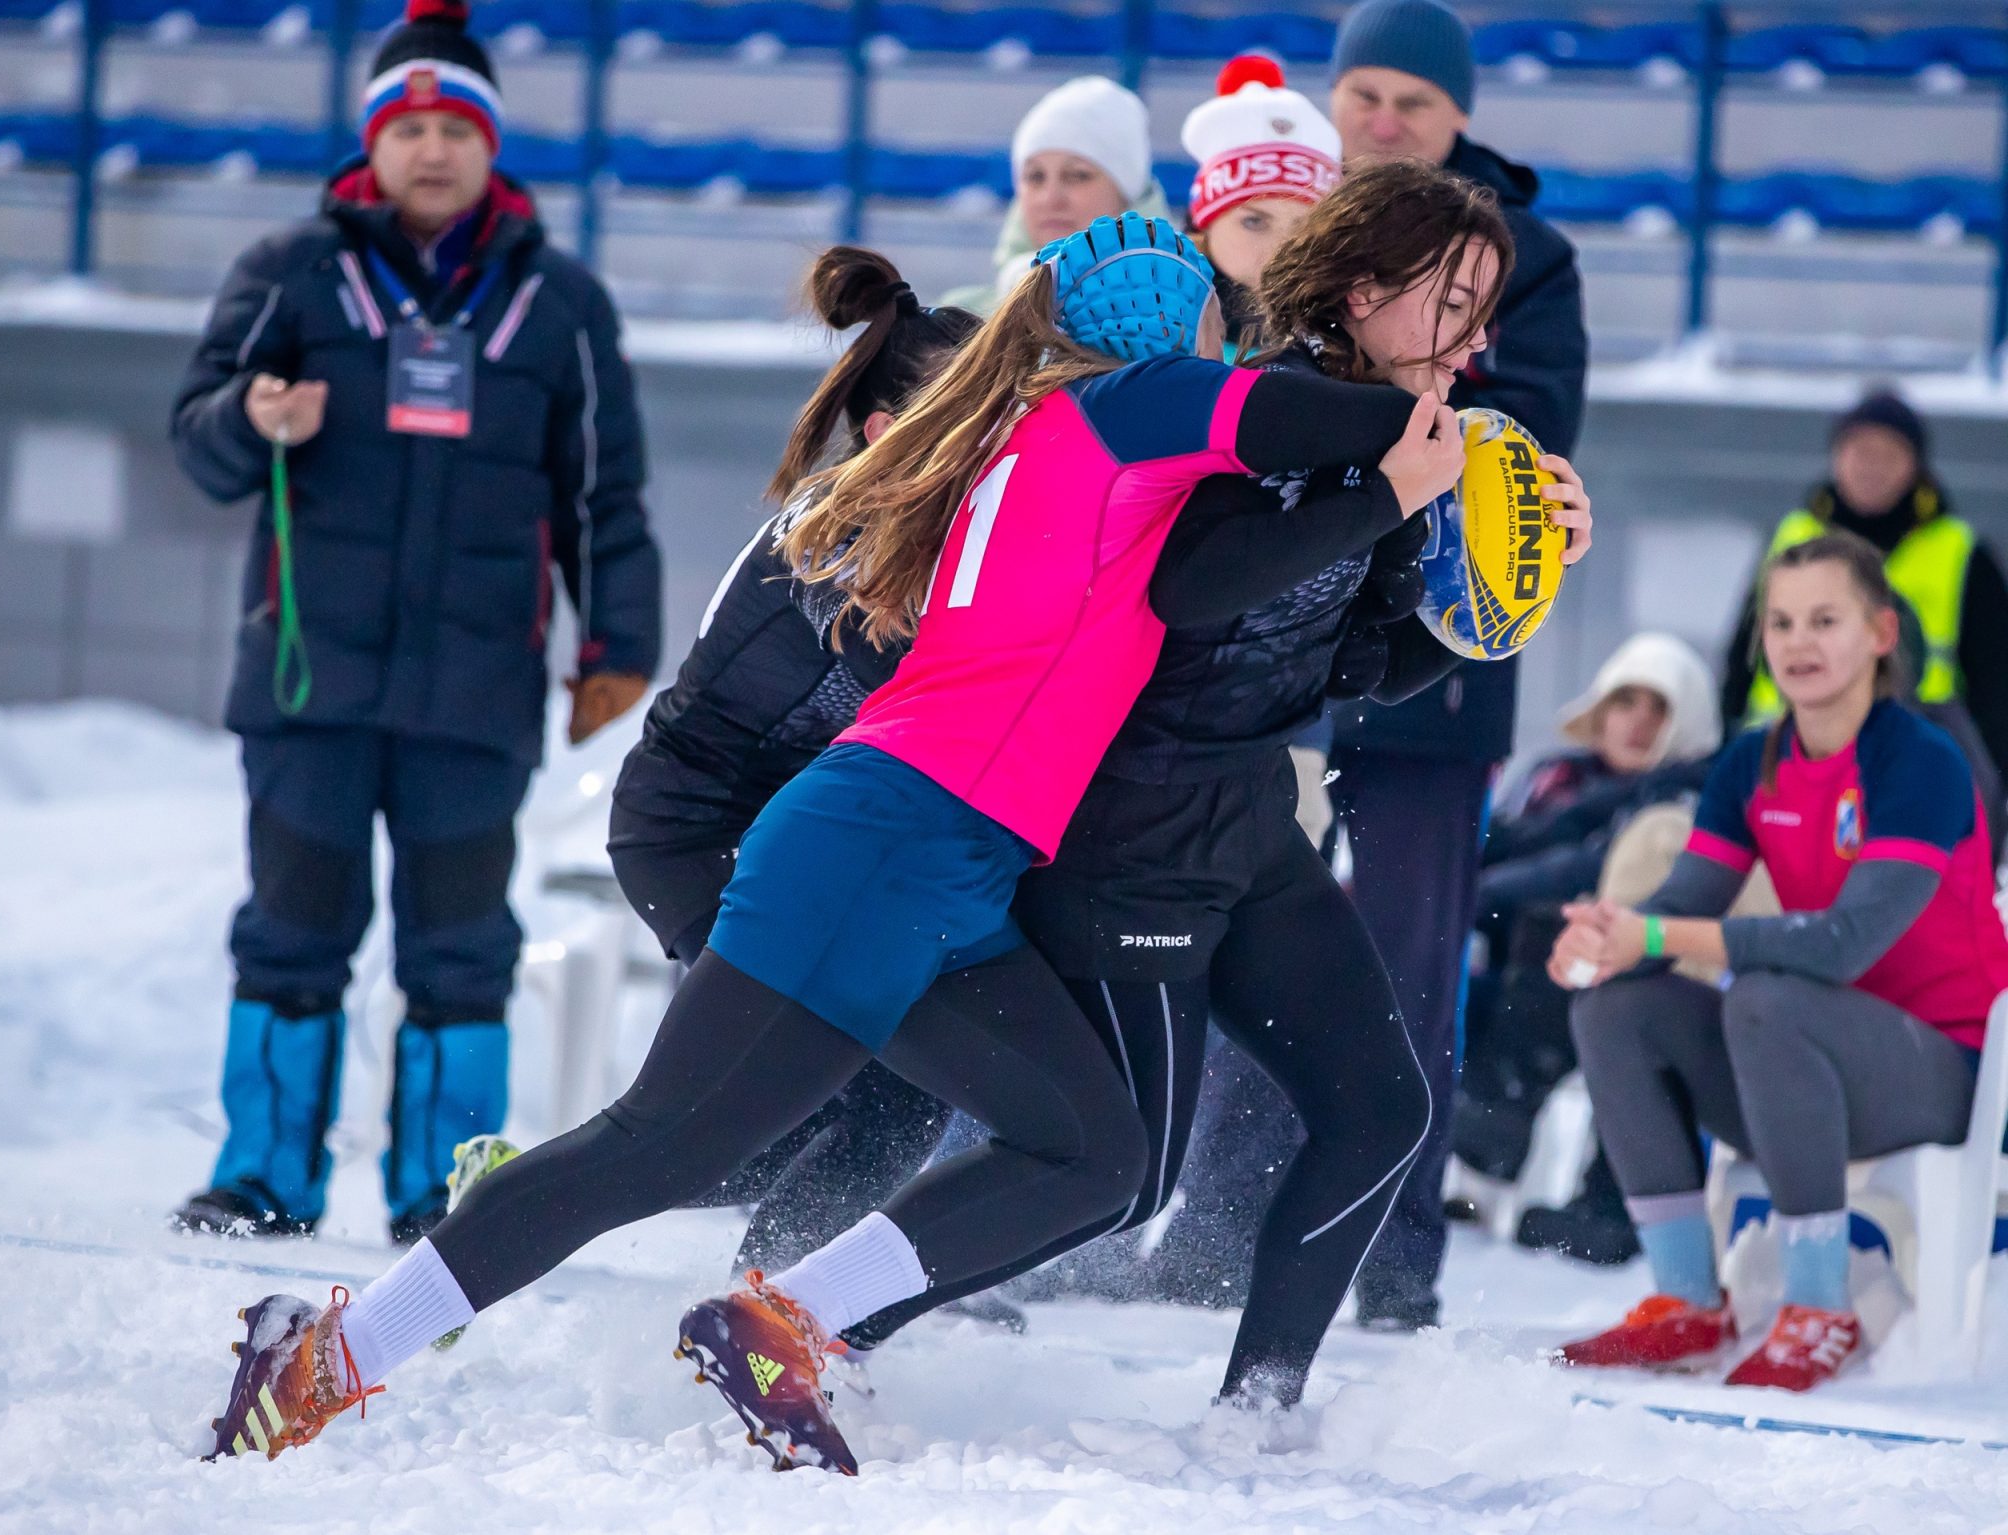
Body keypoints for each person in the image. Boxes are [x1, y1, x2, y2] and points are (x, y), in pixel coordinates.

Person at [202, 213, 1444, 1473]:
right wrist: (1426, 441)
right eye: (1212, 325)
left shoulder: (1080, 439)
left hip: (946, 868)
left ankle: (775, 1321)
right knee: (656, 1146)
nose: (1229, 346)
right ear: (1156, 323)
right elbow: (1303, 419)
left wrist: (1416, 545)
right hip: (878, 843)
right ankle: (318, 1356)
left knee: (1089, 1148)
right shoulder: (1117, 403)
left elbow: (1268, 544)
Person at [844, 160, 1592, 1410]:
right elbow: (1188, 589)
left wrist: (1496, 601)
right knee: (1113, 1169)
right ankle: (810, 1315)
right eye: (1451, 298)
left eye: (1486, 304)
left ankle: (1259, 1415)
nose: (1475, 336)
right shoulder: (1248, 402)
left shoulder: (1397, 442)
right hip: (1119, 820)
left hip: (1244, 815)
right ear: (1360, 292)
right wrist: (1389, 489)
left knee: (1377, 1110)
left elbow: (1351, 664)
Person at [168, 0, 660, 1246]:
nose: (432, 149)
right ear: (372, 145)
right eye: (409, 127)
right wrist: (250, 417)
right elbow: (199, 438)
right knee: (289, 935)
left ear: (489, 144)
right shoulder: (290, 273)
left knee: (461, 952)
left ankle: (444, 1194)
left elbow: (603, 492)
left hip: (476, 692)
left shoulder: (565, 305)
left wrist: (616, 647)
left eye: (455, 127)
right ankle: (260, 1176)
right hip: (306, 681)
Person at [1550, 531, 2008, 1392]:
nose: (1798, 641)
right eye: (1783, 621)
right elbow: (1679, 908)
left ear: (1879, 633)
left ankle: (1817, 1305)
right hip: (1796, 1067)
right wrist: (1606, 935)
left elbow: (1843, 944)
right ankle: (1687, 1301)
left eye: (1825, 619)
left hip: (1941, 1072)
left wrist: (1655, 938)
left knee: (1767, 993)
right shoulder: (1751, 760)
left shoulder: (1923, 762)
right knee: (1614, 1003)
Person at [603, 248, 978, 1274]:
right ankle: (755, 1305)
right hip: (690, 832)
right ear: (885, 434)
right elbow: (909, 667)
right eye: (982, 427)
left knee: (890, 1095)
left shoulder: (951, 528)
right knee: (784, 1098)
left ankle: (769, 1304)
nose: (1005, 451)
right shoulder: (834, 530)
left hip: (798, 835)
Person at [1321, 0, 1589, 1329]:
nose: (1383, 120)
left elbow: (1525, 437)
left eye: (1410, 102)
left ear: (1458, 117)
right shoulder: (1295, 236)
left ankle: (1393, 1259)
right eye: (1363, 92)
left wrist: (1384, 398)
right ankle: (1214, 1225)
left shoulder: (1531, 260)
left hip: (1441, 672)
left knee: (1408, 970)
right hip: (1283, 662)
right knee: (1237, 935)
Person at [1453, 634, 1720, 1200]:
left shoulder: (1688, 798)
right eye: (1626, 702)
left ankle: (1592, 1194)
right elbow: (1491, 844)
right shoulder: (1553, 780)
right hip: (1509, 962)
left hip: (1611, 969)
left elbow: (1582, 868)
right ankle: (1470, 1165)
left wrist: (1468, 899)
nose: (1639, 723)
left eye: (1660, 708)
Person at [1720, 389, 2008, 797]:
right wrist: (1728, 744)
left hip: (1915, 768)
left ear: (1917, 466)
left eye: (1888, 454)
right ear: (1836, 457)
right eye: (1859, 451)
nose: (1871, 467)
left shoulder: (1962, 553)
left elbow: (1996, 688)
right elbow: (1741, 659)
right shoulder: (1791, 538)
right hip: (1784, 759)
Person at [941, 75, 1169, 313]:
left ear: (1128, 195)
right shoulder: (962, 319)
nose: (1050, 199)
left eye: (1078, 176)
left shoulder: (1179, 320)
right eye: (1035, 176)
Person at [1180, 54, 1342, 354]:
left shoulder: (1352, 348)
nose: (1279, 248)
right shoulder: (1155, 342)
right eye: (1254, 222)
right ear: (1204, 227)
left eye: (1301, 229)